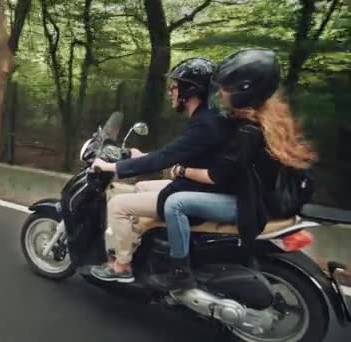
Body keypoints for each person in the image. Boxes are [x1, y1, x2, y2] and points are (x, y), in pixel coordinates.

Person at [148, 48, 318, 291]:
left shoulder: (248, 132)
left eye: (227, 88)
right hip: (260, 197)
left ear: (244, 91)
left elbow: (216, 176)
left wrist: (181, 170)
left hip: (250, 205)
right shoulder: (269, 119)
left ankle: (179, 271)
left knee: (176, 203)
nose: (221, 93)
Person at [89, 57, 232, 283]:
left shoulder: (204, 124)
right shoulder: (207, 117)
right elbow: (174, 153)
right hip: (201, 187)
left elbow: (165, 158)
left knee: (117, 205)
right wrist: (143, 157)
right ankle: (138, 245)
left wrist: (111, 166)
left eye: (174, 87)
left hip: (200, 194)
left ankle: (121, 266)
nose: (170, 93)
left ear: (189, 90)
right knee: (140, 187)